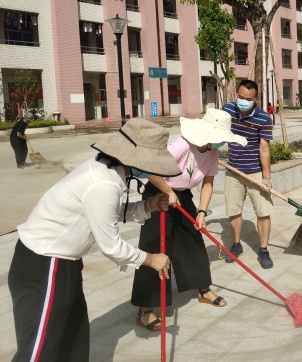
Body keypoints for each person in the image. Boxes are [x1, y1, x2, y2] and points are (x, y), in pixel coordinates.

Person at [8, 118, 178, 362]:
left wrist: (147, 205)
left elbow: (106, 213)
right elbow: (111, 246)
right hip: (44, 265)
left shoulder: (105, 170)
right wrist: (151, 259)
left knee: (72, 338)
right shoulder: (103, 182)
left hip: (63, 263)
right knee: (40, 350)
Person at [131, 110, 247, 330]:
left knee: (193, 242)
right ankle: (145, 309)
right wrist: (167, 191)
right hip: (158, 195)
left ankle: (203, 289)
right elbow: (150, 169)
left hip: (182, 197)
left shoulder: (212, 152)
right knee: (155, 249)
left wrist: (201, 212)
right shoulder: (181, 146)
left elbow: (208, 184)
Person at [222, 80, 275, 269]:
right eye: (240, 97)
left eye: (248, 99)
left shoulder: (264, 118)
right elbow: (217, 130)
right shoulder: (228, 110)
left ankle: (263, 249)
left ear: (256, 99)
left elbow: (264, 149)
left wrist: (266, 178)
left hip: (255, 173)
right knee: (233, 210)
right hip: (233, 171)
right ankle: (236, 244)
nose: (243, 101)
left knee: (263, 212)